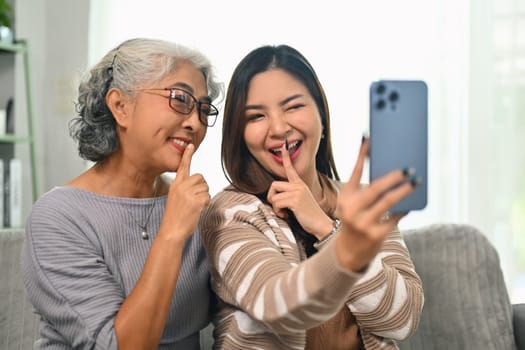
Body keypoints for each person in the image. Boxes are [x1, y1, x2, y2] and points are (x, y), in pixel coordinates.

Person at [199, 44, 424, 350]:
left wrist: (324, 226)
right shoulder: (230, 212)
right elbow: (281, 309)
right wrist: (345, 247)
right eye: (256, 117)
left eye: (293, 107)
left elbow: (403, 321)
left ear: (322, 114)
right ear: (240, 135)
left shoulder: (360, 201)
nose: (279, 128)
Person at [22, 38, 223, 349]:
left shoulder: (197, 208)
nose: (196, 123)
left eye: (203, 108)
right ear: (121, 106)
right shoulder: (58, 217)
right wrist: (171, 234)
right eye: (181, 98)